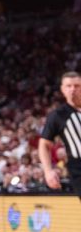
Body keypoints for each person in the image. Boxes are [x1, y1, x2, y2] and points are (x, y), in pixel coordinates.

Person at [39, 71, 81, 201]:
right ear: (63, 89)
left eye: (77, 85)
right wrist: (48, 171)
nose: (73, 89)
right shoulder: (58, 115)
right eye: (69, 86)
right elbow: (44, 144)